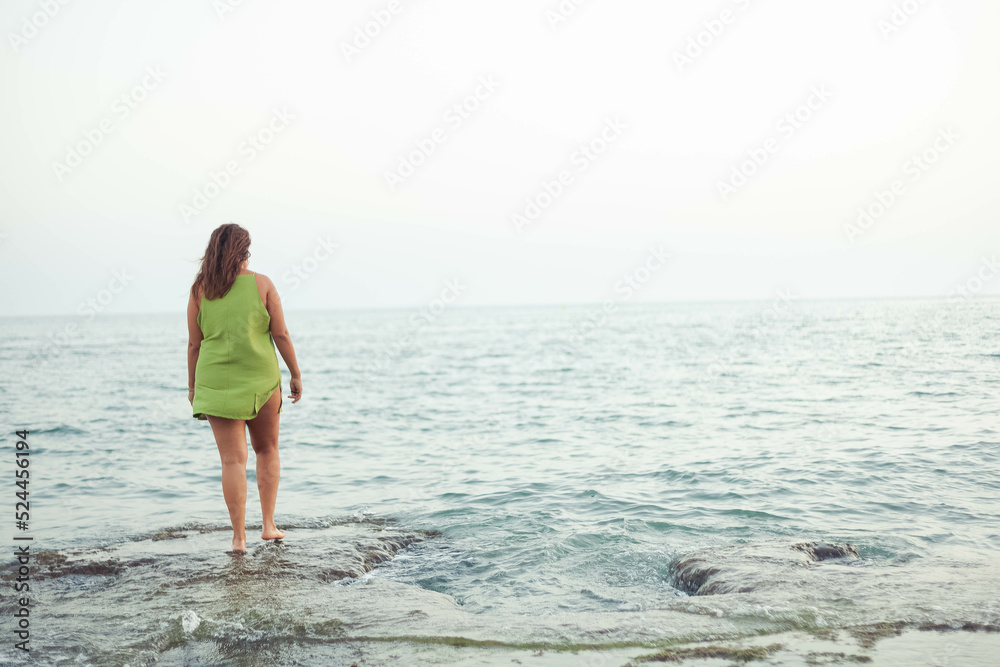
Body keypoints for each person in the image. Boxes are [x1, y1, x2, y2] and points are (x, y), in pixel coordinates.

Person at [186, 223, 303, 553]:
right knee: (267, 450)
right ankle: (268, 525)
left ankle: (239, 538)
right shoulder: (262, 284)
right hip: (261, 381)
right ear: (244, 252)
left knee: (231, 462)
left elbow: (194, 345)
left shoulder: (200, 289)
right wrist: (295, 373)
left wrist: (193, 387)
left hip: (215, 383)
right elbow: (281, 335)